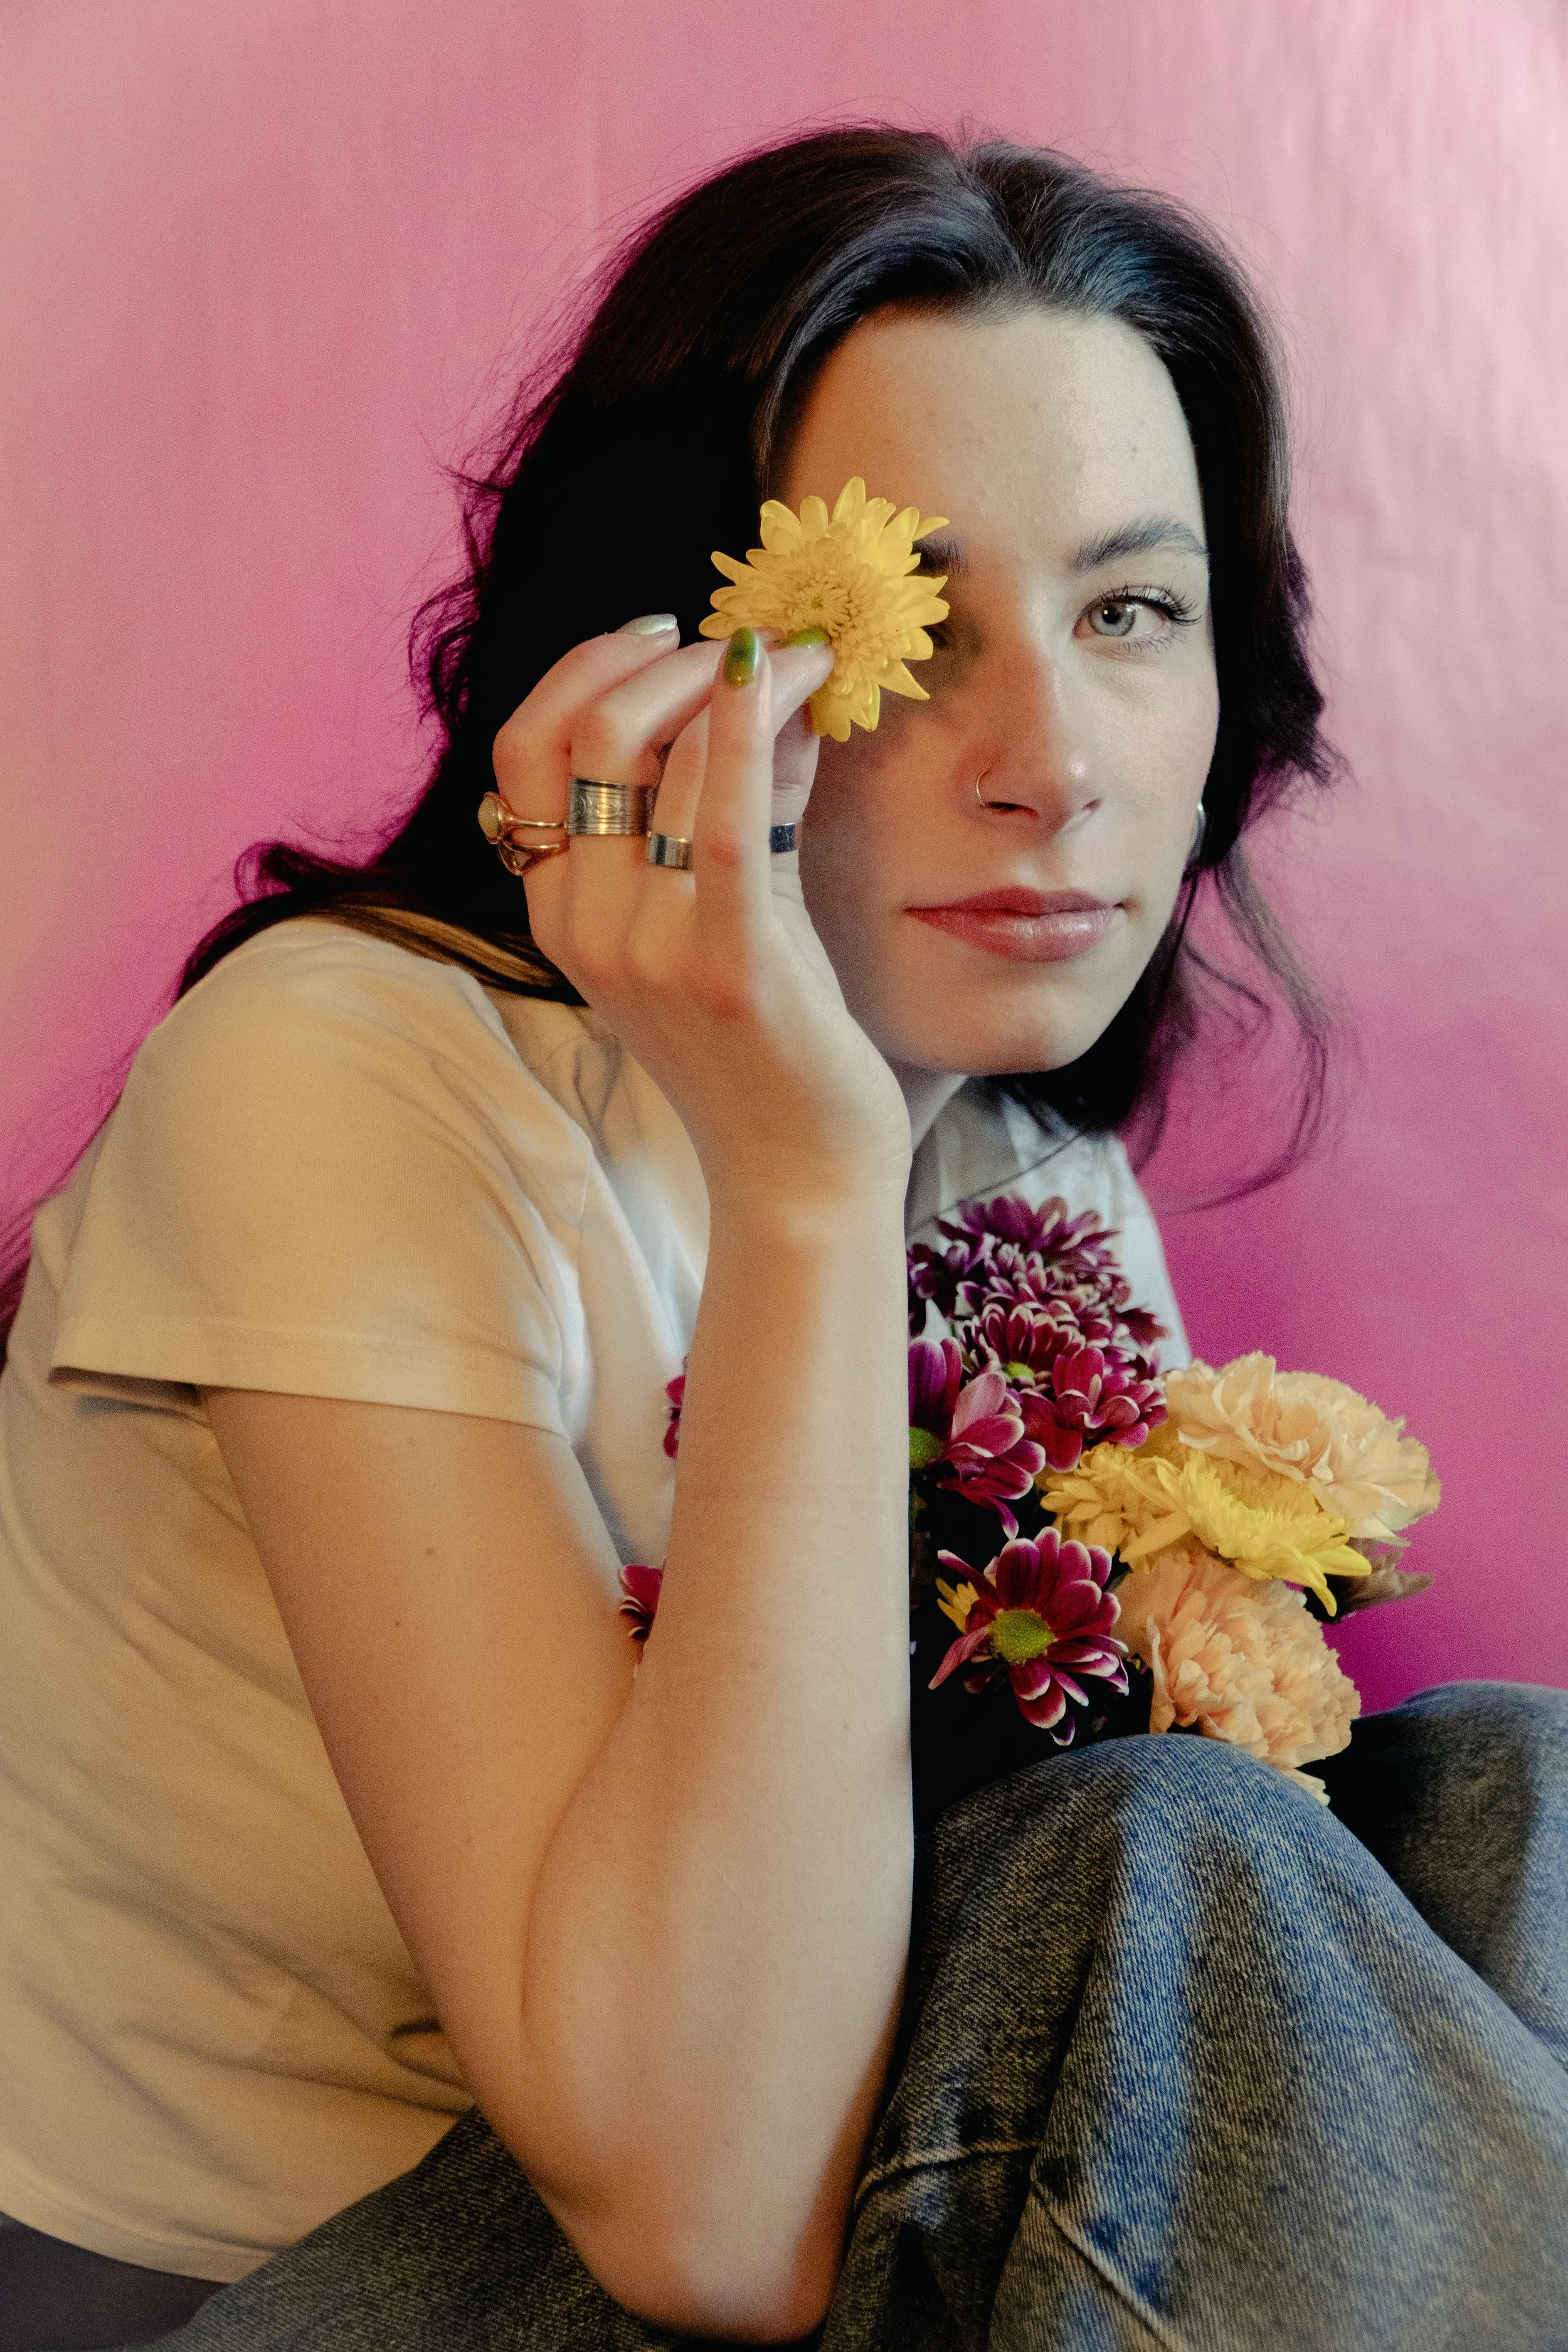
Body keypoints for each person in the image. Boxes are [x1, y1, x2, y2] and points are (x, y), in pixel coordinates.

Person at [0, 128, 1564, 2352]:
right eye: (895, 631)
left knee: (1510, 1793)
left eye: (1132, 612)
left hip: (806, 2171)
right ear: (657, 682)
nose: (1052, 760)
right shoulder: (343, 1079)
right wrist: (807, 1179)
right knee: (1166, 1853)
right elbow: (704, 2204)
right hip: (259, 2290)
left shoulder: (1025, 1174)